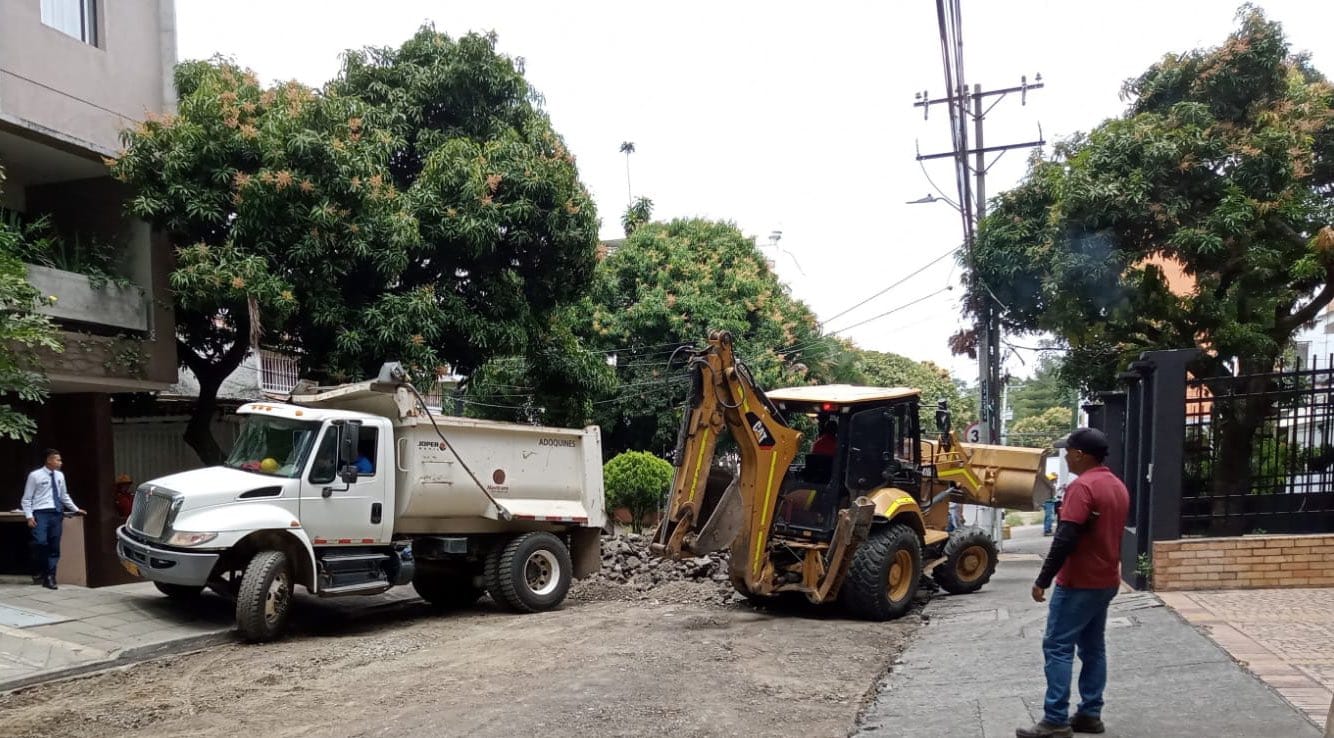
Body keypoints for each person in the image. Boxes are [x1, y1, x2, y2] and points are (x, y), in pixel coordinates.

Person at [1018, 428, 1130, 738]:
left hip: (1079, 581)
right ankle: (1090, 714)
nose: (1066, 455)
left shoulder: (1082, 487)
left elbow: (1066, 536)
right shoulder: (1116, 485)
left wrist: (1043, 579)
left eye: (1069, 450)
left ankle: (1055, 719)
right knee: (1093, 647)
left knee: (1057, 645)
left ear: (1081, 454)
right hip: (1106, 579)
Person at [21, 449, 86, 590]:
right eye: (58, 460)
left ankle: (50, 576)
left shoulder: (60, 476)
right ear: (49, 460)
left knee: (54, 546)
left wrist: (75, 508)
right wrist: (29, 516)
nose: (60, 463)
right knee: (41, 542)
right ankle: (41, 570)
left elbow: (63, 495)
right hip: (41, 513)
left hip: (56, 513)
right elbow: (26, 498)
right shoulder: (35, 476)